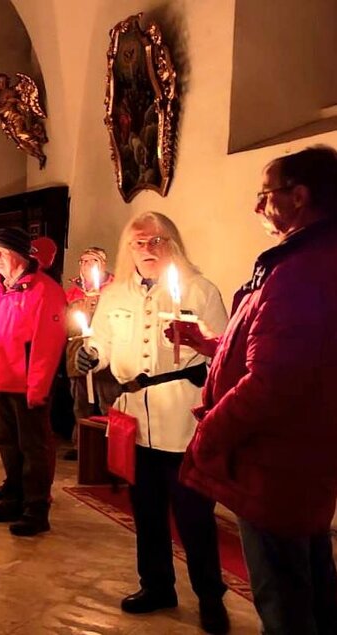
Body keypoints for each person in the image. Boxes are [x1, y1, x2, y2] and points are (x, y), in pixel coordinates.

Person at [178, 146, 337, 635]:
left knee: (284, 595)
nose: (257, 207)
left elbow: (272, 382)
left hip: (275, 466)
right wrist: (211, 343)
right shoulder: (309, 259)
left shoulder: (302, 270)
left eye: (265, 194)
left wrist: (208, 436)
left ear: (299, 197)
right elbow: (281, 349)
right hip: (299, 460)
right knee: (312, 581)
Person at [76, 212, 230, 632]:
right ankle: (157, 584)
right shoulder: (117, 293)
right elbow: (101, 338)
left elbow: (223, 350)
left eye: (156, 241)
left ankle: (210, 595)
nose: (147, 249)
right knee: (145, 510)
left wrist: (197, 337)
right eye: (139, 242)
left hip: (181, 413)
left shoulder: (199, 289)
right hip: (133, 415)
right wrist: (93, 354)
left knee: (193, 513)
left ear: (173, 243)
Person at [0, 227, 66, 536]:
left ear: (19, 256)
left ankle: (36, 508)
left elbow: (47, 343)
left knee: (33, 446)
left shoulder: (45, 290)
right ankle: (13, 497)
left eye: (0, 254)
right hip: (1, 375)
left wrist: (37, 386)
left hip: (27, 382)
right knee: (8, 443)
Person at [63, 246, 119, 460]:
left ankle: (110, 449)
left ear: (102, 265)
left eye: (92, 261)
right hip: (77, 354)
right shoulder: (73, 293)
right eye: (83, 261)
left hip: (105, 360)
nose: (87, 265)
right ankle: (82, 446)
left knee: (108, 403)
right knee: (81, 404)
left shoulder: (114, 291)